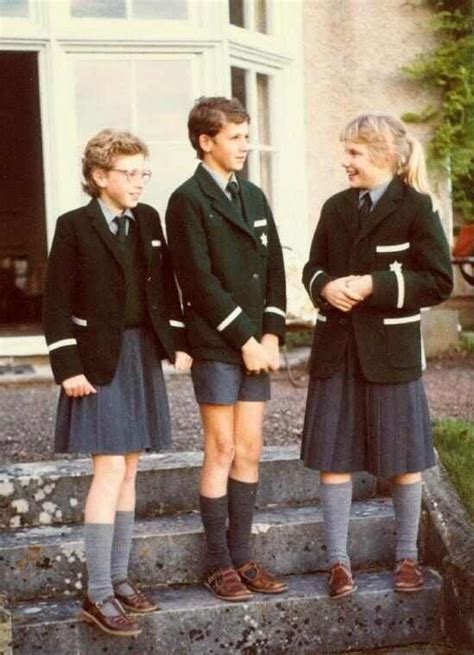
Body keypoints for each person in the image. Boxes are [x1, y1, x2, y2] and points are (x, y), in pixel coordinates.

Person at [43, 129, 191, 636]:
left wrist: (178, 343)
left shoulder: (148, 221)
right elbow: (55, 305)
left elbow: (163, 290)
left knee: (130, 469)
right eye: (129, 174)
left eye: (144, 173)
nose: (139, 182)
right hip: (94, 362)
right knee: (108, 471)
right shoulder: (74, 226)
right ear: (98, 177)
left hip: (140, 355)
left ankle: (120, 578)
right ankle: (98, 592)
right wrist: (69, 369)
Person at [301, 113, 452, 599]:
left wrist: (375, 284)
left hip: (390, 354)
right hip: (337, 350)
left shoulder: (417, 208)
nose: (344, 162)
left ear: (383, 156)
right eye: (345, 152)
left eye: (354, 154)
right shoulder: (334, 207)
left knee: (406, 460)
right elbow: (312, 267)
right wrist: (326, 286)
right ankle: (338, 563)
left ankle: (406, 558)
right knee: (334, 458)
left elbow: (438, 281)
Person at [165, 96, 287, 602]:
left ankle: (242, 557)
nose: (245, 145)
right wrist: (247, 339)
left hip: (257, 344)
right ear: (205, 141)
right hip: (219, 344)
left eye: (245, 135)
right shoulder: (187, 199)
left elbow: (275, 270)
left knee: (251, 448)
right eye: (235, 137)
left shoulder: (254, 196)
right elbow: (198, 281)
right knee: (222, 447)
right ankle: (217, 564)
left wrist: (274, 334)